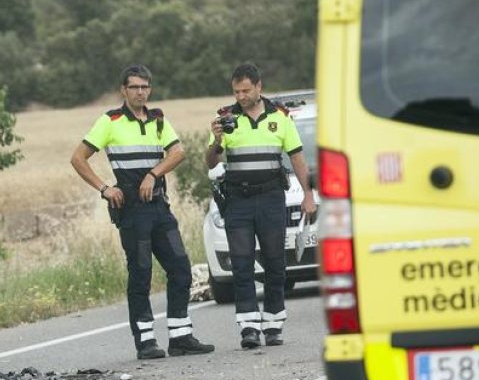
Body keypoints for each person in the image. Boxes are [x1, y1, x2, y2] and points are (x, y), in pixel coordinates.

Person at [70, 64, 215, 360]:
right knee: (141, 273)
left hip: (160, 207)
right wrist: (104, 189)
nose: (140, 92)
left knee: (180, 269)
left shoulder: (159, 119)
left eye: (145, 87)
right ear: (124, 90)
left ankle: (180, 336)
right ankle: (145, 341)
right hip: (132, 212)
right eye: (134, 87)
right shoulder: (109, 121)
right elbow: (78, 158)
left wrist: (153, 173)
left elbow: (178, 152)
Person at [204, 63, 316, 348]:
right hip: (238, 200)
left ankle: (274, 323)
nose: (240, 96)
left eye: (245, 90)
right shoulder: (226, 118)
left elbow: (298, 158)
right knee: (241, 264)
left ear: (258, 87)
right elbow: (211, 162)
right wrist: (216, 141)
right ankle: (249, 327)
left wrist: (307, 194)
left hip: (270, 198)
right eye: (236, 91)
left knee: (275, 261)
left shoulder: (280, 117)